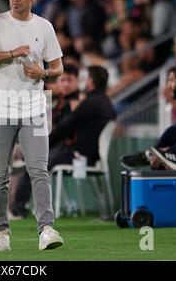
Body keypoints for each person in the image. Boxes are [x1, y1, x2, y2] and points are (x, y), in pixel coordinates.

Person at [0, 0, 64, 251]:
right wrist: (9, 53)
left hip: (33, 111)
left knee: (39, 171)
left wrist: (44, 72)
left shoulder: (44, 27)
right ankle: (1, 232)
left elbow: (58, 67)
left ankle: (46, 229)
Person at [11, 65, 116, 219]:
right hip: (87, 155)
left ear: (91, 81)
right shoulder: (105, 103)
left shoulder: (90, 103)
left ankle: (17, 209)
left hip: (79, 156)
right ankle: (17, 206)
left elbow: (65, 128)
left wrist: (44, 145)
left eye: (85, 79)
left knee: (35, 164)